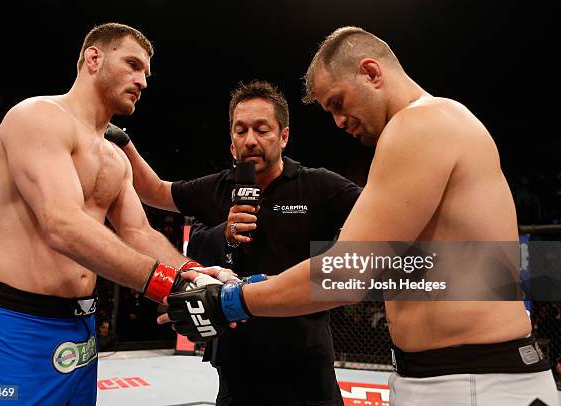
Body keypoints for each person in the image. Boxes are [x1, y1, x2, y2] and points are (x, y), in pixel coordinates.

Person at [161, 27, 559, 405]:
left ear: (370, 73)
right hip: (450, 373)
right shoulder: (438, 125)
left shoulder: (421, 125)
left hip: (472, 378)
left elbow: (347, 272)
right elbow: (425, 266)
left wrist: (231, 300)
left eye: (338, 102)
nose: (337, 121)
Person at [0, 22, 226, 406]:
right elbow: (62, 226)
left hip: (81, 329)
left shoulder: (115, 157)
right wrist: (167, 284)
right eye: (133, 65)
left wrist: (192, 274)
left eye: (146, 73)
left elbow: (139, 233)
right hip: (17, 326)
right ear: (94, 58)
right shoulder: (36, 117)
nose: (142, 81)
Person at [105, 80, 362, 405]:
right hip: (236, 360)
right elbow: (155, 191)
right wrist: (124, 143)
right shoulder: (216, 188)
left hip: (305, 359)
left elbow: (382, 212)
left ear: (283, 136)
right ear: (231, 142)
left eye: (261, 129)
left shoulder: (319, 186)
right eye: (241, 131)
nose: (250, 140)